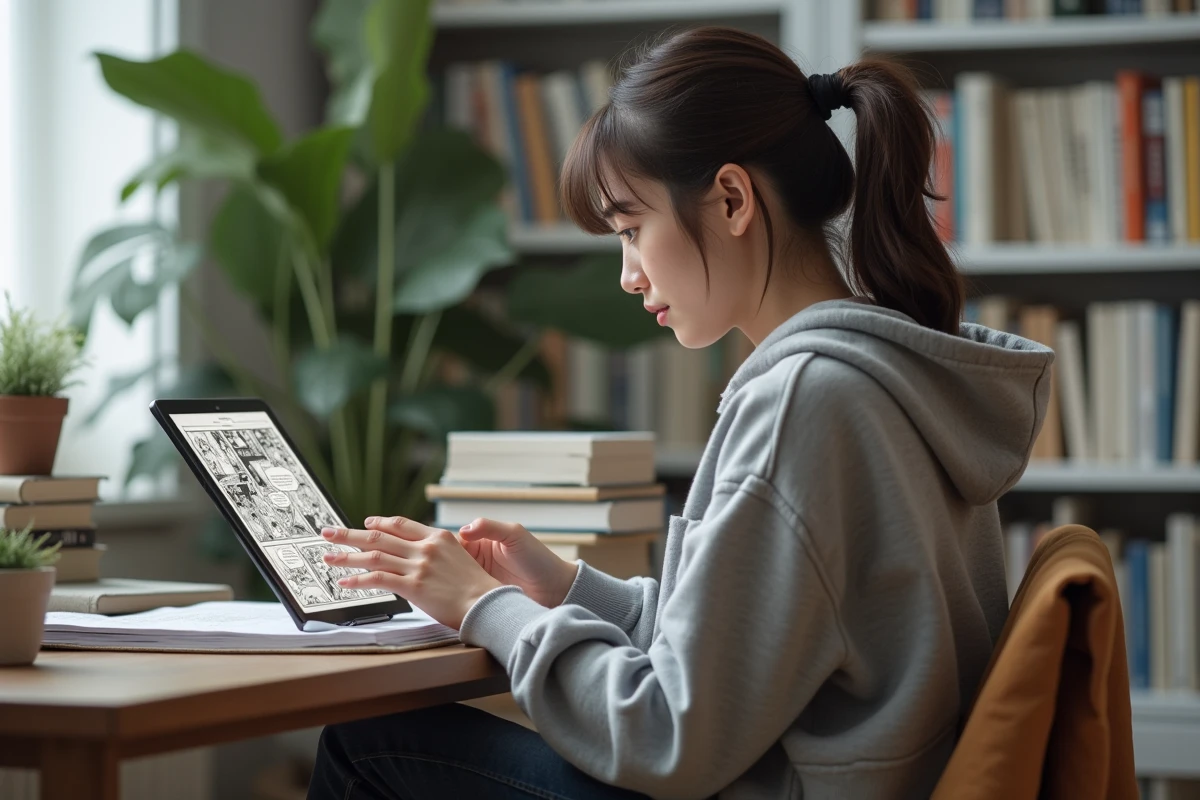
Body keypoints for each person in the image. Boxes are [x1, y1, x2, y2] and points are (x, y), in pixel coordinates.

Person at [307, 25, 1052, 800]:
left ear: (732, 199)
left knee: (369, 745)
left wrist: (480, 605)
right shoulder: (884, 374)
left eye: (632, 229)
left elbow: (667, 736)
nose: (628, 274)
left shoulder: (804, 401)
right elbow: (741, 648)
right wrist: (565, 587)